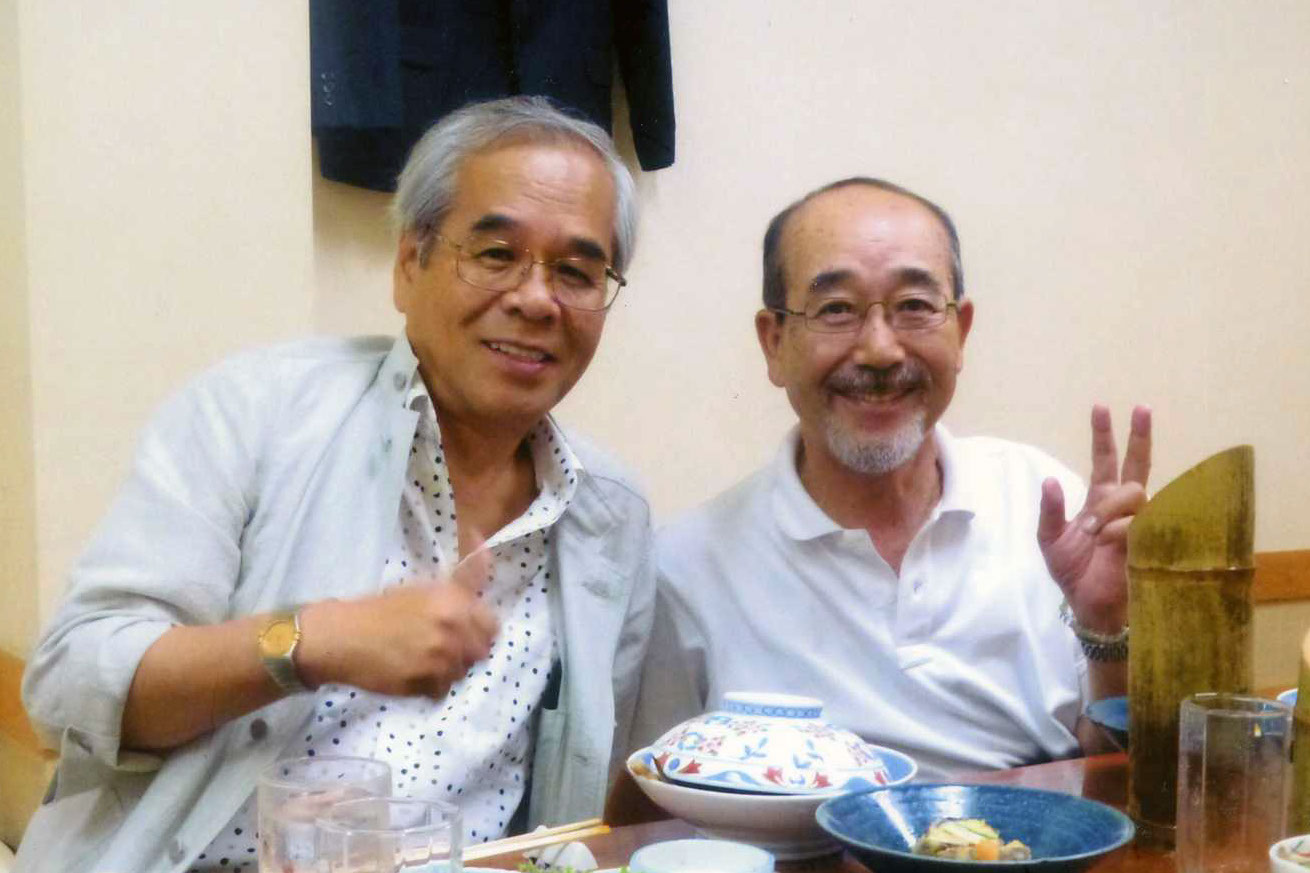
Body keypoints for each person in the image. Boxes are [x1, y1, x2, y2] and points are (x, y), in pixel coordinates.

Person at [19, 96, 654, 873]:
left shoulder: (610, 516)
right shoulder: (256, 412)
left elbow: (581, 804)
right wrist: (313, 641)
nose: (535, 298)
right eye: (496, 254)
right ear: (409, 263)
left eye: (577, 272)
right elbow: (71, 684)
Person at [631, 177, 1151, 780]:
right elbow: (654, 800)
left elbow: (1119, 776)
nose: (880, 350)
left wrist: (1107, 628)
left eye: (914, 307)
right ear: (774, 343)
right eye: (836, 310)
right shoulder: (688, 566)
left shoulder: (1046, 507)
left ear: (961, 332)